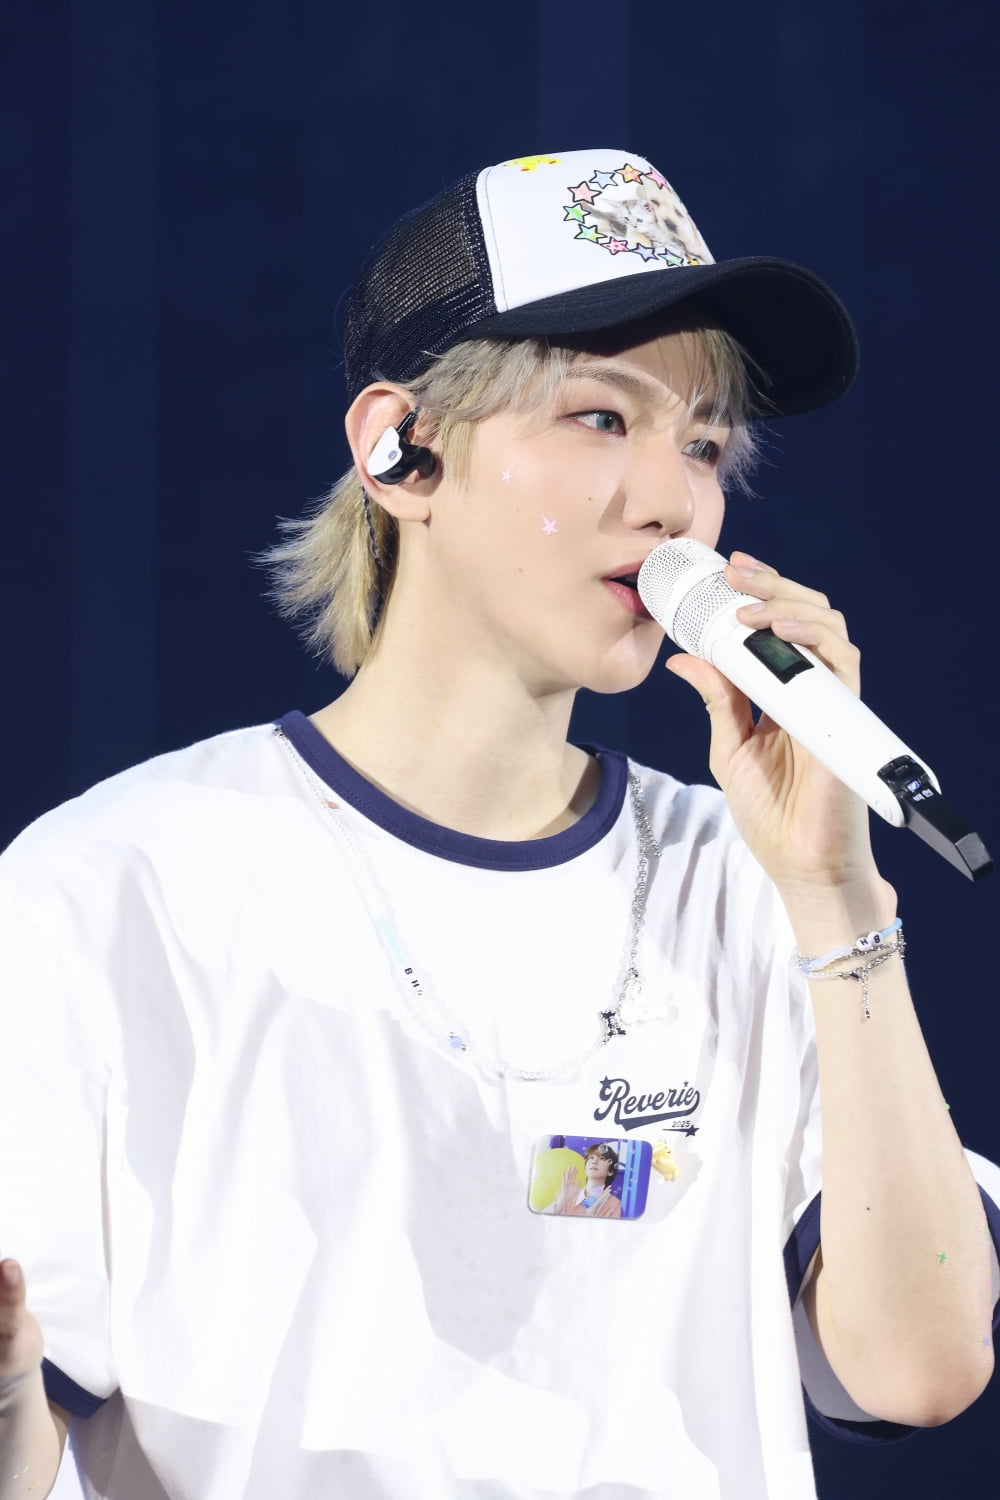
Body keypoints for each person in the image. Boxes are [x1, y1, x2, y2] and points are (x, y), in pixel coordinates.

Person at [1, 147, 998, 1500]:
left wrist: (836, 894)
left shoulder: (747, 883)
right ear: (400, 450)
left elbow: (921, 1368)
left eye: (703, 444)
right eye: (600, 417)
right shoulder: (117, 885)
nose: (673, 501)